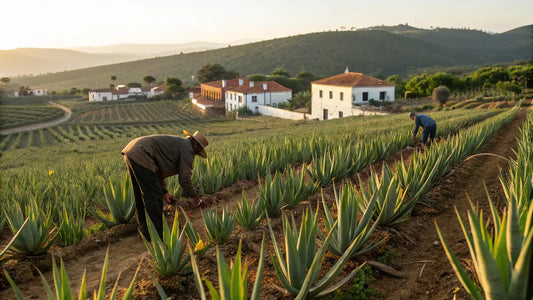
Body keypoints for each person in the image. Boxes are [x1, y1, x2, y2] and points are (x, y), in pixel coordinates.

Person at [121, 130, 209, 240]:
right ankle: (157, 234)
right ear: (194, 143)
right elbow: (185, 180)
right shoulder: (188, 149)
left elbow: (157, 169)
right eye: (199, 149)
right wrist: (196, 199)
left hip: (132, 151)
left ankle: (145, 231)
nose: (198, 152)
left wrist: (164, 191)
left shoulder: (179, 144)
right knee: (153, 197)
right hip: (142, 153)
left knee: (140, 194)